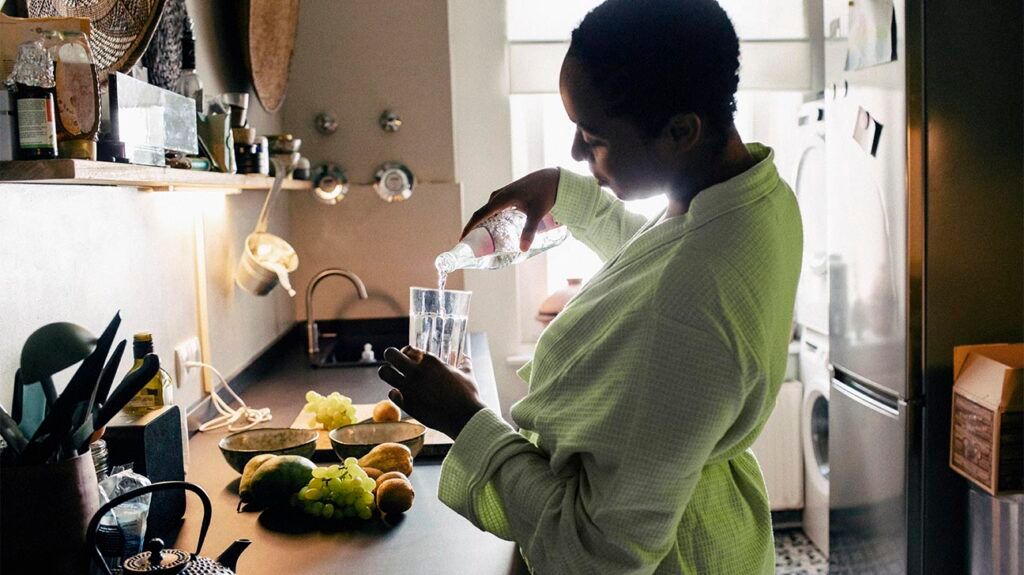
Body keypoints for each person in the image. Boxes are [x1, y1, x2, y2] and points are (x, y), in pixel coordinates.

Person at [377, 0, 803, 572]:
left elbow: (601, 555)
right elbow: (655, 256)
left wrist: (465, 420)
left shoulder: (691, 306)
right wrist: (565, 189)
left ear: (680, 130)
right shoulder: (756, 198)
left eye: (593, 135)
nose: (577, 151)